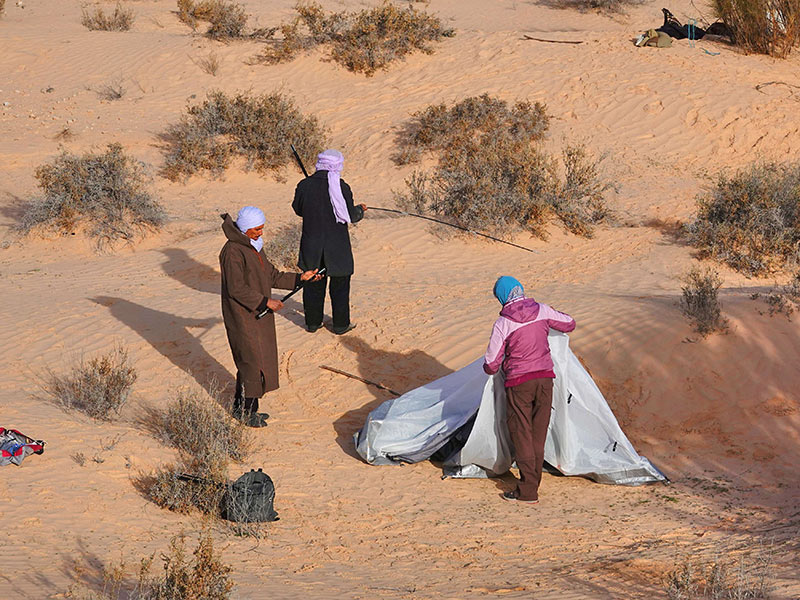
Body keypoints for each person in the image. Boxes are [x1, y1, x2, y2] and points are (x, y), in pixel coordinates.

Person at [219, 207, 320, 427]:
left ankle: (244, 409)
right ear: (245, 229)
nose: (260, 233)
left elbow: (271, 276)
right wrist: (265, 302)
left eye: (262, 228)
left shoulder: (254, 247)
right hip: (242, 314)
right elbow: (236, 288)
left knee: (256, 360)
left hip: (258, 313)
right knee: (251, 361)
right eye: (256, 229)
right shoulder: (232, 251)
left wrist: (300, 278)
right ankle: (246, 413)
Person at [483, 276, 576, 504]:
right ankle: (532, 485)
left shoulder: (503, 323)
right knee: (538, 433)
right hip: (545, 379)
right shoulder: (542, 310)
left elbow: (491, 365)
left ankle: (528, 491)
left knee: (522, 433)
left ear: (501, 297)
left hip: (519, 383)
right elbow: (569, 323)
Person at [292, 149, 366, 335]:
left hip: (312, 244)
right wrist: (360, 210)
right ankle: (341, 325)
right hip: (337, 246)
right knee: (340, 286)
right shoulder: (341, 186)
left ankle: (312, 323)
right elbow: (351, 215)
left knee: (312, 283)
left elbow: (298, 209)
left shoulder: (304, 185)